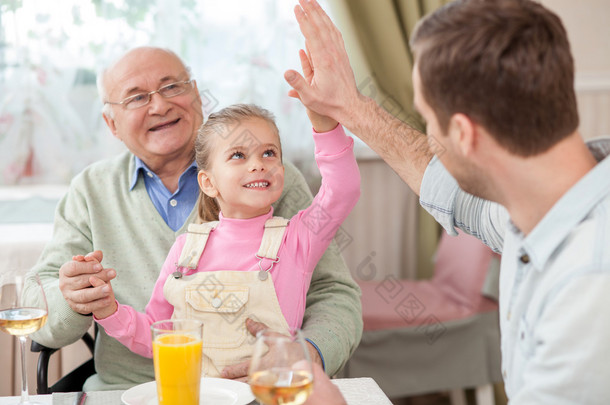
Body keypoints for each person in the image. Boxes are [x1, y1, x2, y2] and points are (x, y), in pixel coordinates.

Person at [286, 0, 610, 404]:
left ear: (463, 133)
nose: (430, 138)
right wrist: (350, 107)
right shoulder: (538, 204)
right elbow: (446, 188)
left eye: (428, 119)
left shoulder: (591, 282)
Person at [24, 46, 363, 391]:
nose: (159, 105)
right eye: (137, 97)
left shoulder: (272, 182)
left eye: (172, 87)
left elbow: (333, 290)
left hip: (265, 387)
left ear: (197, 96)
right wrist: (77, 298)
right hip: (129, 391)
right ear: (111, 123)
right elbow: (38, 299)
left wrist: (305, 356)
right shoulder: (91, 191)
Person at [81, 103, 360, 378]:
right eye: (238, 155)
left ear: (282, 173)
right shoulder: (186, 251)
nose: (258, 165)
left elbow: (343, 189)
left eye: (269, 153)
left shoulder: (298, 239)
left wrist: (326, 126)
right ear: (208, 183)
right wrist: (110, 311)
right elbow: (158, 333)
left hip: (271, 395)